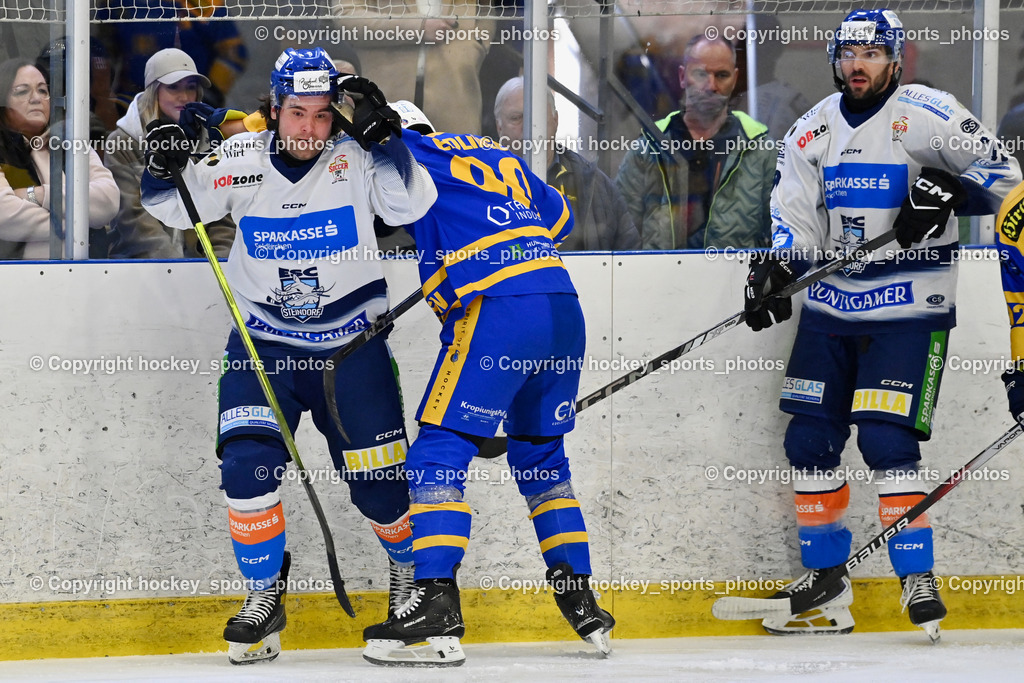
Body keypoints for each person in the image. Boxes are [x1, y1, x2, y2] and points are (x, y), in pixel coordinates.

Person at [140, 48, 437, 664]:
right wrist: (161, 161)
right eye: (296, 113)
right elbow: (169, 205)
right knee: (245, 465)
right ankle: (263, 596)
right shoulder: (240, 161)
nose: (308, 128)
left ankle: (408, 582)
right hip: (263, 345)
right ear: (273, 109)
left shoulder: (353, 159)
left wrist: (390, 143)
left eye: (322, 115)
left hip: (352, 348)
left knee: (380, 489)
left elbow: (411, 206)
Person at [743, 9, 1021, 641]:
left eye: (871, 53)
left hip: (910, 308)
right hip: (830, 311)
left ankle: (915, 577)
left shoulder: (931, 113)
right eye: (848, 53)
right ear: (835, 59)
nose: (858, 64)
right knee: (807, 444)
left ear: (896, 59)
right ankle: (824, 591)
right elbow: (795, 218)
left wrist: (953, 188)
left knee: (886, 443)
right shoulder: (812, 130)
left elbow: (1008, 182)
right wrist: (779, 267)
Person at [359, 102, 614, 667]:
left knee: (436, 454)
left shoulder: (408, 151)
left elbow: (395, 179)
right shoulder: (497, 154)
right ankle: (581, 599)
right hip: (561, 308)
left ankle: (434, 602)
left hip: (498, 310)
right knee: (543, 460)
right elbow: (558, 220)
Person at [615, 34, 775, 250]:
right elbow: (621, 233)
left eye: (722, 75)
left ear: (735, 79)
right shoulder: (649, 147)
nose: (711, 86)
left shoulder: (759, 149)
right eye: (700, 74)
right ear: (682, 76)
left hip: (737, 279)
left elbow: (778, 234)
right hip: (660, 279)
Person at [105, 48, 235, 259]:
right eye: (173, 87)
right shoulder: (123, 142)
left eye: (191, 88)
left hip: (201, 268)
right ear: (153, 91)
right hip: (139, 271)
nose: (184, 97)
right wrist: (174, 268)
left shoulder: (210, 142)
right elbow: (132, 218)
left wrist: (220, 262)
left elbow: (224, 218)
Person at [494, 77, 641, 251]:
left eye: (537, 116)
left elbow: (626, 262)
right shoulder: (478, 182)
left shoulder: (595, 185)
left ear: (555, 121)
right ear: (499, 127)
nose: (528, 127)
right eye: (516, 118)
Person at [0, 58, 118, 259]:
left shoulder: (70, 140)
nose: (36, 98)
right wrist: (81, 226)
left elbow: (108, 201)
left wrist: (35, 195)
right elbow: (4, 215)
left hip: (90, 276)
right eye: (22, 91)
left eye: (43, 90)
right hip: (16, 281)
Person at [330, 0, 493, 135]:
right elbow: (346, 17)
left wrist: (477, 46)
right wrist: (418, 27)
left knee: (457, 168)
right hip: (386, 93)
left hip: (455, 95)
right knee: (384, 166)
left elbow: (491, 8)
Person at [95, 0, 248, 111]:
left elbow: (234, 54)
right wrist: (101, 97)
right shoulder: (116, 4)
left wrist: (208, 95)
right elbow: (105, 53)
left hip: (187, 103)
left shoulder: (204, 3)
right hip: (132, 102)